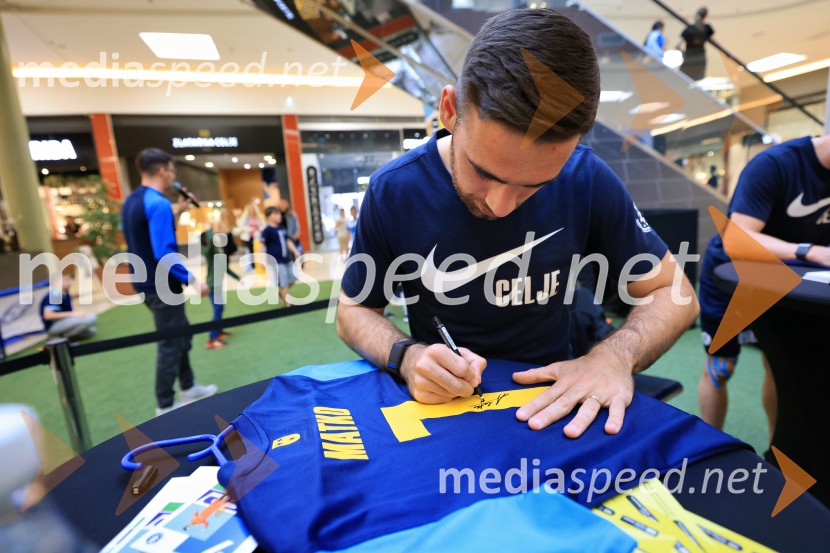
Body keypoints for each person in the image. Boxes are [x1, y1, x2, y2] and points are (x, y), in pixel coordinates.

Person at [337, 8, 698, 439]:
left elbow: (675, 295)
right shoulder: (394, 190)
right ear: (450, 110)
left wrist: (613, 357)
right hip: (445, 413)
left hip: (555, 403)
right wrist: (408, 356)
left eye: (535, 185)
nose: (502, 205)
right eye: (484, 172)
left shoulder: (585, 177)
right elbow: (354, 308)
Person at [698, 134, 830, 437]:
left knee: (780, 365)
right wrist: (808, 250)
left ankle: (776, 450)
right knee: (720, 370)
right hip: (732, 278)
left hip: (785, 284)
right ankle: (707, 449)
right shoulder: (775, 165)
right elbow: (738, 237)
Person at [122, 148, 217, 417]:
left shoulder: (133, 200)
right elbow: (162, 252)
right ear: (163, 170)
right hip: (161, 284)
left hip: (144, 281)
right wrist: (192, 279)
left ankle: (188, 387)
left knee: (180, 334)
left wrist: (180, 210)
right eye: (172, 170)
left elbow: (147, 235)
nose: (173, 175)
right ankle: (164, 405)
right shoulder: (159, 203)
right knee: (170, 342)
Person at [202, 223, 241, 349]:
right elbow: (211, 240)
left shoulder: (218, 252)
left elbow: (226, 269)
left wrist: (238, 278)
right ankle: (211, 339)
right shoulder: (209, 252)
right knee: (217, 310)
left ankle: (218, 332)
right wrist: (209, 229)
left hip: (217, 285)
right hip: (213, 286)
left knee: (220, 309)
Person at [262, 207, 300, 307]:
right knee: (283, 282)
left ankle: (281, 294)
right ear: (269, 216)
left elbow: (288, 241)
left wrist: (295, 251)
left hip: (286, 258)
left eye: (279, 214)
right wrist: (262, 260)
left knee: (292, 279)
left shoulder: (282, 228)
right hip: (276, 261)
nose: (280, 216)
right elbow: (262, 245)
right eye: (276, 214)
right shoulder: (267, 230)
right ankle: (288, 304)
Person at [39, 273, 97, 339]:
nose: (70, 282)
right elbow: (48, 315)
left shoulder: (64, 293)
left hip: (63, 322)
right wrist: (73, 314)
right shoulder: (54, 294)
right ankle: (59, 338)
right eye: (66, 280)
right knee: (91, 318)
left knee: (91, 331)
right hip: (53, 326)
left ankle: (63, 336)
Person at [676, 7, 714, 81]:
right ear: (705, 16)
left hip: (688, 58)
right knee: (698, 82)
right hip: (700, 58)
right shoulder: (707, 28)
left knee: (684, 80)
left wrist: (684, 53)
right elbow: (715, 42)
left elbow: (677, 45)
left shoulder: (688, 29)